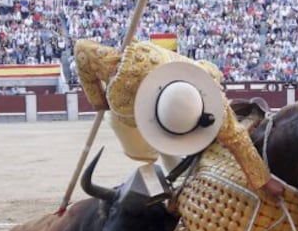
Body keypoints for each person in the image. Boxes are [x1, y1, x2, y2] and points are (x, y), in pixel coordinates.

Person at [74, 38, 284, 199]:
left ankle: (176, 173)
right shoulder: (122, 70)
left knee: (160, 150)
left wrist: (263, 181)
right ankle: (167, 170)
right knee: (142, 153)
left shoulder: (214, 103)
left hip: (169, 84)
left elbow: (82, 49)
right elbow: (81, 49)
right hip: (132, 93)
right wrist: (98, 99)